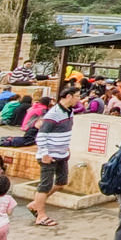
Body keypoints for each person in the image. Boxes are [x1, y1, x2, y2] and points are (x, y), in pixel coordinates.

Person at [28, 88, 80, 228]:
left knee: (61, 182)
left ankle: (36, 204)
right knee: (45, 185)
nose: (78, 99)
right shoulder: (54, 114)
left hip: (61, 153)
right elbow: (41, 135)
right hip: (50, 155)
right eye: (76, 96)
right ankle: (41, 215)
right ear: (68, 96)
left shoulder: (69, 111)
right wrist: (45, 153)